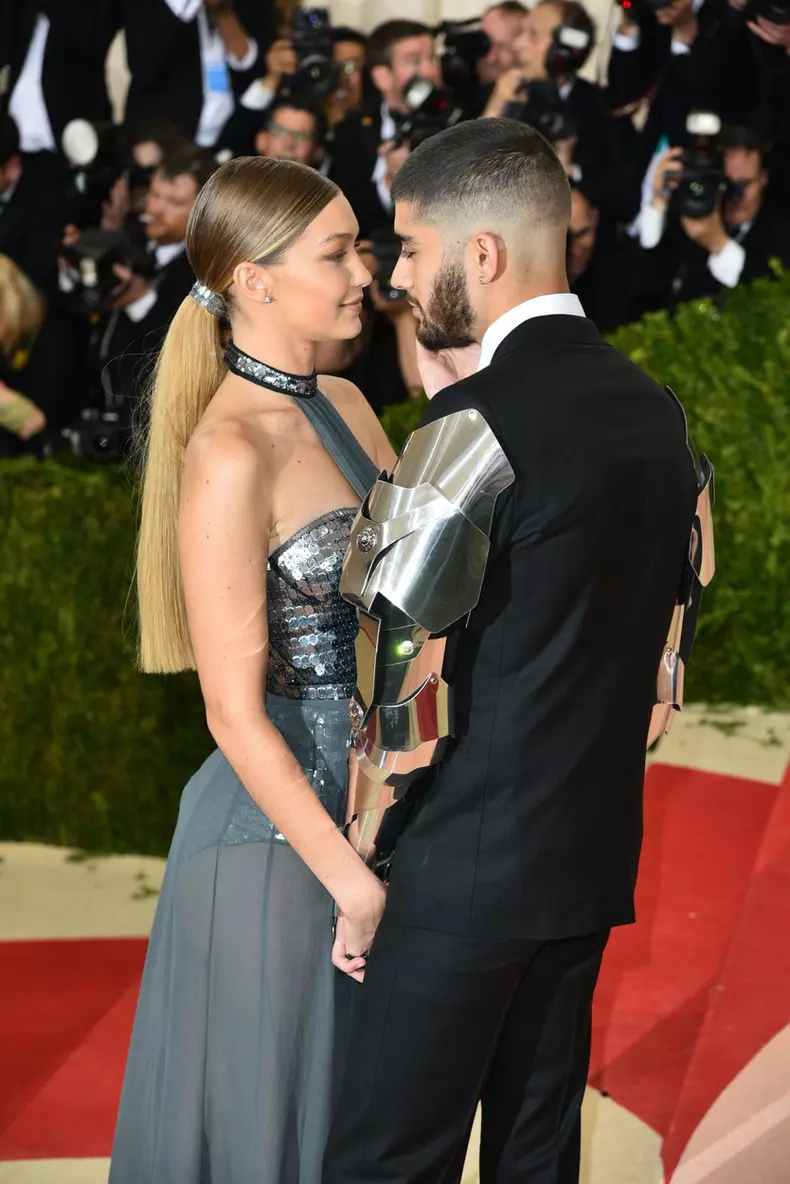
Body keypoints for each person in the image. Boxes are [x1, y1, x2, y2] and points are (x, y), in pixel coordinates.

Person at [323, 118, 701, 1183]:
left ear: (479, 253)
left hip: (457, 876)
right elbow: (664, 670)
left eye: (406, 247)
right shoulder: (657, 415)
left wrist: (364, 866)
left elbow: (393, 682)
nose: (394, 275)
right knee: (536, 1158)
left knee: (388, 1161)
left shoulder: (467, 428)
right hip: (582, 869)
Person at [109, 155, 394, 1182]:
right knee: (273, 1143)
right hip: (277, 844)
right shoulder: (230, 453)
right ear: (256, 280)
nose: (364, 270)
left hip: (370, 801)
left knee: (353, 1130)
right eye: (338, 251)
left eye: (359, 244)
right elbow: (232, 711)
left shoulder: (353, 405)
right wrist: (351, 883)